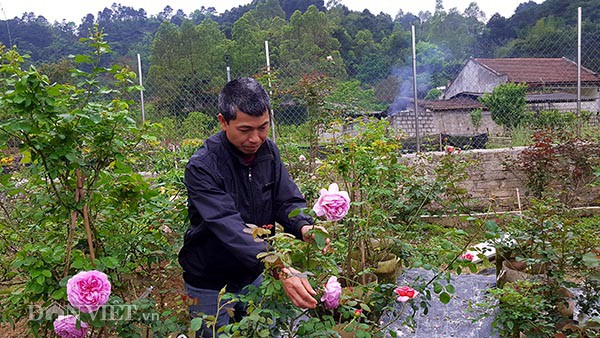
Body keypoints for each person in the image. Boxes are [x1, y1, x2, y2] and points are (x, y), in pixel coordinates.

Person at [178, 77, 323, 337]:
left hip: (253, 275)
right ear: (223, 121)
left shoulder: (268, 152)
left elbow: (286, 199)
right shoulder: (203, 166)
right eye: (245, 130)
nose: (255, 138)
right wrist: (280, 267)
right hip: (209, 282)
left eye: (263, 127)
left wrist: (305, 226)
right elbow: (229, 226)